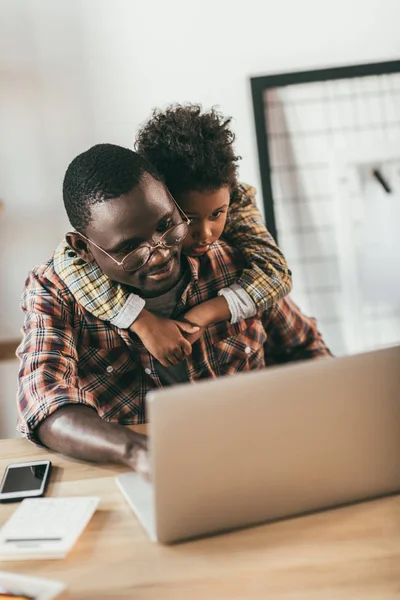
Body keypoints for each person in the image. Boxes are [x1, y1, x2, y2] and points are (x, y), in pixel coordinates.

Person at [17, 144, 331, 475]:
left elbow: (306, 347)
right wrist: (138, 451)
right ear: (84, 249)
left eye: (167, 225)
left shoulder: (236, 264)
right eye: (129, 249)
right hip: (142, 472)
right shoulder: (57, 292)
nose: (160, 255)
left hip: (258, 457)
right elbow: (44, 403)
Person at [52, 105, 293, 368]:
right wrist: (142, 322)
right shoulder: (63, 284)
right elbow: (68, 260)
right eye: (188, 218)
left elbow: (277, 273)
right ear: (163, 201)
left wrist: (204, 314)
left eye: (216, 214)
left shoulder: (237, 229)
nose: (205, 234)